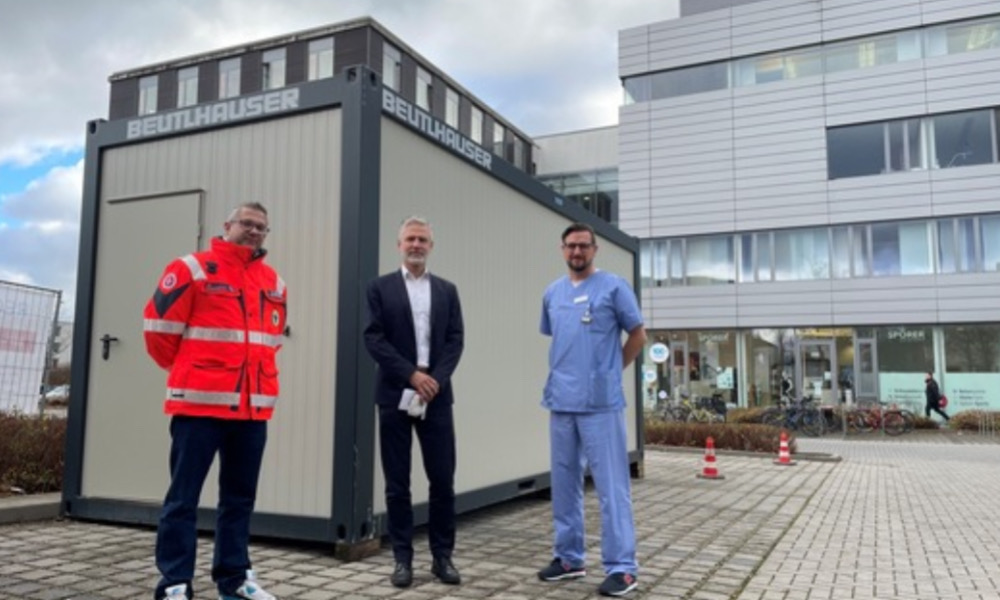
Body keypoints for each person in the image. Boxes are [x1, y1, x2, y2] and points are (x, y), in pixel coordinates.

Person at [143, 202, 287, 600]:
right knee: (182, 498)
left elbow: (270, 341)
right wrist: (193, 371)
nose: (254, 231)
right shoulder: (191, 269)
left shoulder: (273, 281)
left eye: (262, 227)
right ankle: (174, 583)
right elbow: (158, 331)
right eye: (247, 223)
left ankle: (235, 578)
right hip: (199, 408)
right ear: (227, 225)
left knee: (239, 500)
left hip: (252, 409)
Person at [537, 222, 646, 597]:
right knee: (564, 484)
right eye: (571, 246)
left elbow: (638, 335)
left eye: (583, 246)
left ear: (594, 249)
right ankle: (569, 558)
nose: (577, 252)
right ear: (562, 249)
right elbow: (562, 340)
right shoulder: (552, 293)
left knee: (612, 488)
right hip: (562, 401)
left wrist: (612, 371)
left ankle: (623, 568)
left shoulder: (614, 287)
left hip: (600, 404)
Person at [363, 216, 464, 588]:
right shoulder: (380, 288)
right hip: (395, 393)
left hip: (436, 394)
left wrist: (433, 379)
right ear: (399, 244)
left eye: (422, 239)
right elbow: (374, 339)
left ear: (431, 246)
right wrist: (411, 375)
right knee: (397, 483)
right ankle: (402, 560)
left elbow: (455, 340)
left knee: (442, 480)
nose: (416, 245)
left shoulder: (447, 291)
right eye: (410, 239)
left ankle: (442, 558)